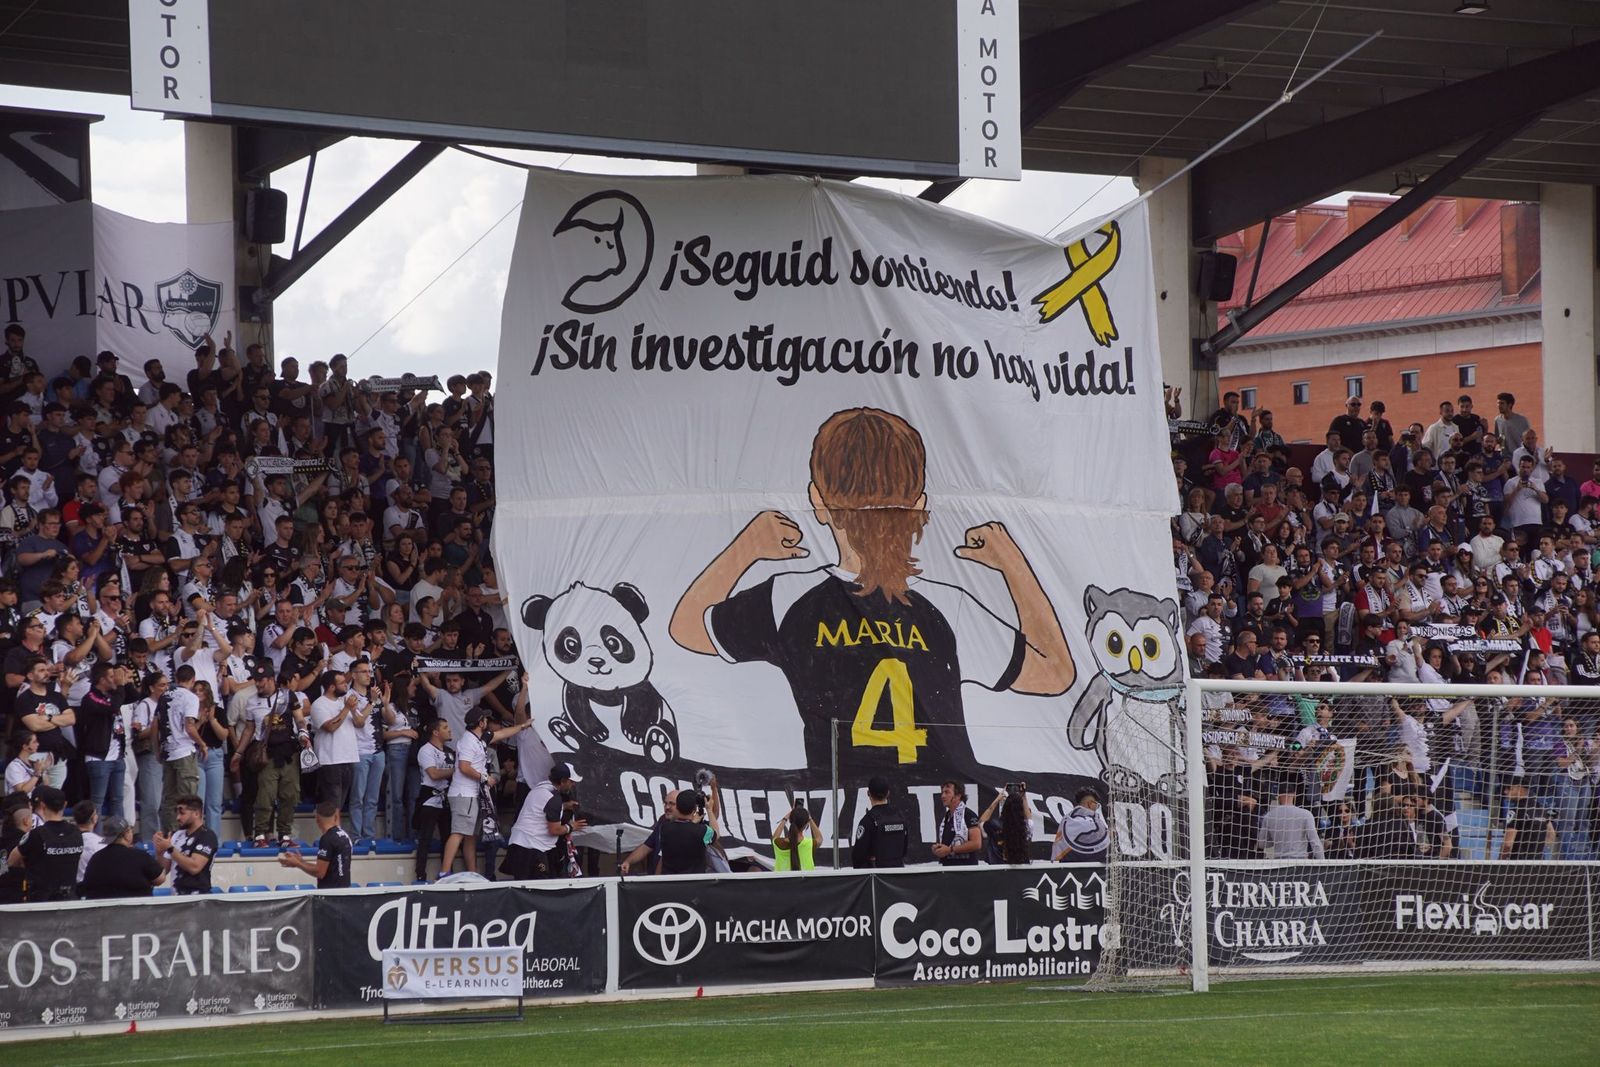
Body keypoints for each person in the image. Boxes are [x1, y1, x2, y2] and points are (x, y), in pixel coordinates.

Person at [671, 407, 1074, 786]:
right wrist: (1011, 562)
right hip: (937, 812)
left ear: (817, 501)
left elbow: (687, 626)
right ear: (919, 505)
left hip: (840, 818)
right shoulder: (948, 608)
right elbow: (1055, 673)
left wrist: (748, 546)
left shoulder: (788, 599)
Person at [439, 708, 528, 878]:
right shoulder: (468, 741)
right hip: (464, 794)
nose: (487, 722)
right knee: (458, 833)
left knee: (471, 836)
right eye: (485, 720)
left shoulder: (480, 739)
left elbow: (501, 734)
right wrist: (485, 778)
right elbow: (464, 767)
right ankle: (444, 872)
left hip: (474, 794)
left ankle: (473, 873)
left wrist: (523, 726)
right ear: (481, 723)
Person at [503, 761, 585, 879]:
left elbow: (541, 807)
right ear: (562, 781)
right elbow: (555, 830)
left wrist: (564, 806)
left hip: (518, 844)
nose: (573, 784)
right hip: (531, 848)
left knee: (523, 886)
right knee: (539, 886)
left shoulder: (539, 788)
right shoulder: (554, 798)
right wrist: (571, 826)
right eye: (571, 781)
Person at [4, 786, 82, 901]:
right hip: (69, 899)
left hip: (41, 900)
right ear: (65, 804)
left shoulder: (36, 834)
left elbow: (11, 861)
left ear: (42, 805)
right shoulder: (76, 833)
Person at [157, 665, 205, 831]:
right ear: (193, 680)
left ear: (176, 678)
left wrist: (157, 750)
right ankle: (187, 835)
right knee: (188, 799)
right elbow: (189, 727)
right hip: (184, 751)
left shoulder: (164, 696)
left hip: (167, 751)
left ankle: (170, 835)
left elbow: (155, 725)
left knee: (169, 799)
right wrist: (202, 744)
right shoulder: (190, 697)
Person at [79, 816, 163, 899]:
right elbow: (160, 879)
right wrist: (160, 853)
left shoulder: (95, 859)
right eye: (130, 830)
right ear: (126, 834)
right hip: (136, 907)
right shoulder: (140, 856)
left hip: (102, 907)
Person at [412, 717, 454, 882]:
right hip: (430, 798)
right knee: (426, 838)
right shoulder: (426, 750)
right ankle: (420, 875)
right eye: (445, 727)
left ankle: (447, 873)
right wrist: (456, 771)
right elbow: (434, 774)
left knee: (448, 838)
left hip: (447, 798)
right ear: (436, 732)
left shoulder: (450, 752)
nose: (449, 730)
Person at [278, 800, 354, 889]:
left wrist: (298, 864)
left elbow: (320, 872)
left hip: (330, 893)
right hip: (345, 890)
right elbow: (331, 866)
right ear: (336, 816)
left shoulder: (327, 839)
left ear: (317, 818)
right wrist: (302, 862)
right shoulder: (345, 836)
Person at [155, 793, 218, 894]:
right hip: (176, 896)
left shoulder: (207, 836)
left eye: (182, 813)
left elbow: (195, 867)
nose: (178, 818)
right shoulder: (177, 835)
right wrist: (160, 852)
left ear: (196, 813)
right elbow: (163, 870)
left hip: (198, 897)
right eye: (177, 813)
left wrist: (170, 849)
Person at [1256, 780, 1326, 859]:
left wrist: (1277, 840)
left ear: (1278, 795)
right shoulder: (1306, 814)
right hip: (1299, 861)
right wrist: (1322, 862)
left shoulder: (1269, 816)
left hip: (1279, 862)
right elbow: (1315, 843)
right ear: (1294, 794)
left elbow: (1261, 844)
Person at [850, 775, 908, 868]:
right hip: (898, 872)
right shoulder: (900, 816)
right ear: (888, 793)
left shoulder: (868, 820)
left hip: (877, 874)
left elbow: (858, 856)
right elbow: (904, 850)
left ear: (868, 793)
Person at [655, 789, 714, 874]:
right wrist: (709, 810)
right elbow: (716, 832)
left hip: (670, 880)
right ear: (694, 810)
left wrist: (692, 823)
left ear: (677, 807)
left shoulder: (664, 828)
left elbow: (683, 832)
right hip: (694, 881)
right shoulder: (703, 831)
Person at [1052, 786, 1109, 862]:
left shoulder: (1066, 820)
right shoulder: (1092, 822)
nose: (1096, 808)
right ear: (1090, 804)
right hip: (1087, 866)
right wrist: (1109, 835)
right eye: (1096, 805)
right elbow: (1102, 848)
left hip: (1066, 865)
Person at [979, 785, 1033, 865]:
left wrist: (997, 800)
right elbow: (1029, 818)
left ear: (1004, 808)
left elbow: (981, 822)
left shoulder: (993, 825)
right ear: (1022, 811)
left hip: (997, 869)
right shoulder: (1026, 827)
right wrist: (1023, 796)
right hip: (1020, 869)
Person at [931, 781, 981, 865]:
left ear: (958, 795)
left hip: (965, 868)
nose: (943, 796)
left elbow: (976, 843)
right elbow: (948, 844)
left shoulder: (968, 815)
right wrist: (939, 849)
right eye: (942, 793)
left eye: (947, 792)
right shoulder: (946, 817)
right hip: (948, 866)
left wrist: (950, 850)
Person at [772, 799, 816, 871]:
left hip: (781, 879)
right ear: (806, 825)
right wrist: (810, 818)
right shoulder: (809, 844)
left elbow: (774, 837)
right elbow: (820, 838)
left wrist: (785, 818)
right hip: (805, 878)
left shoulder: (779, 843)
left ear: (790, 820)